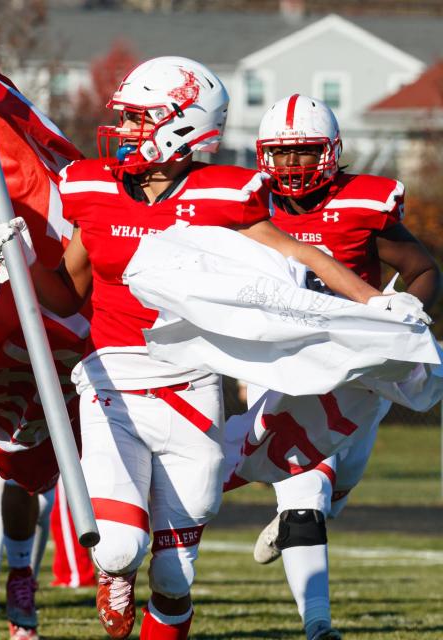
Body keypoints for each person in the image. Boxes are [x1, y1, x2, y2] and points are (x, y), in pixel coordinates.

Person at [0, 57, 425, 640]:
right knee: (118, 547)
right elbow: (68, 295)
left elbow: (305, 258)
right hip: (112, 377)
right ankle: (114, 574)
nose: (126, 130)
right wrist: (15, 256)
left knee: (173, 576)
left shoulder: (225, 192)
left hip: (192, 383)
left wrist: (372, 304)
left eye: (141, 119)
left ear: (184, 125)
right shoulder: (92, 188)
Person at [249, 94, 440, 640]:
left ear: (330, 153)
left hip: (356, 368)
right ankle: (318, 626)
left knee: (340, 479)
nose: (291, 167)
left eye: (304, 153)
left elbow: (424, 268)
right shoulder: (247, 206)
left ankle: (297, 518)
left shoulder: (361, 204)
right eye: (281, 155)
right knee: (306, 483)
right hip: (280, 362)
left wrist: (407, 311)